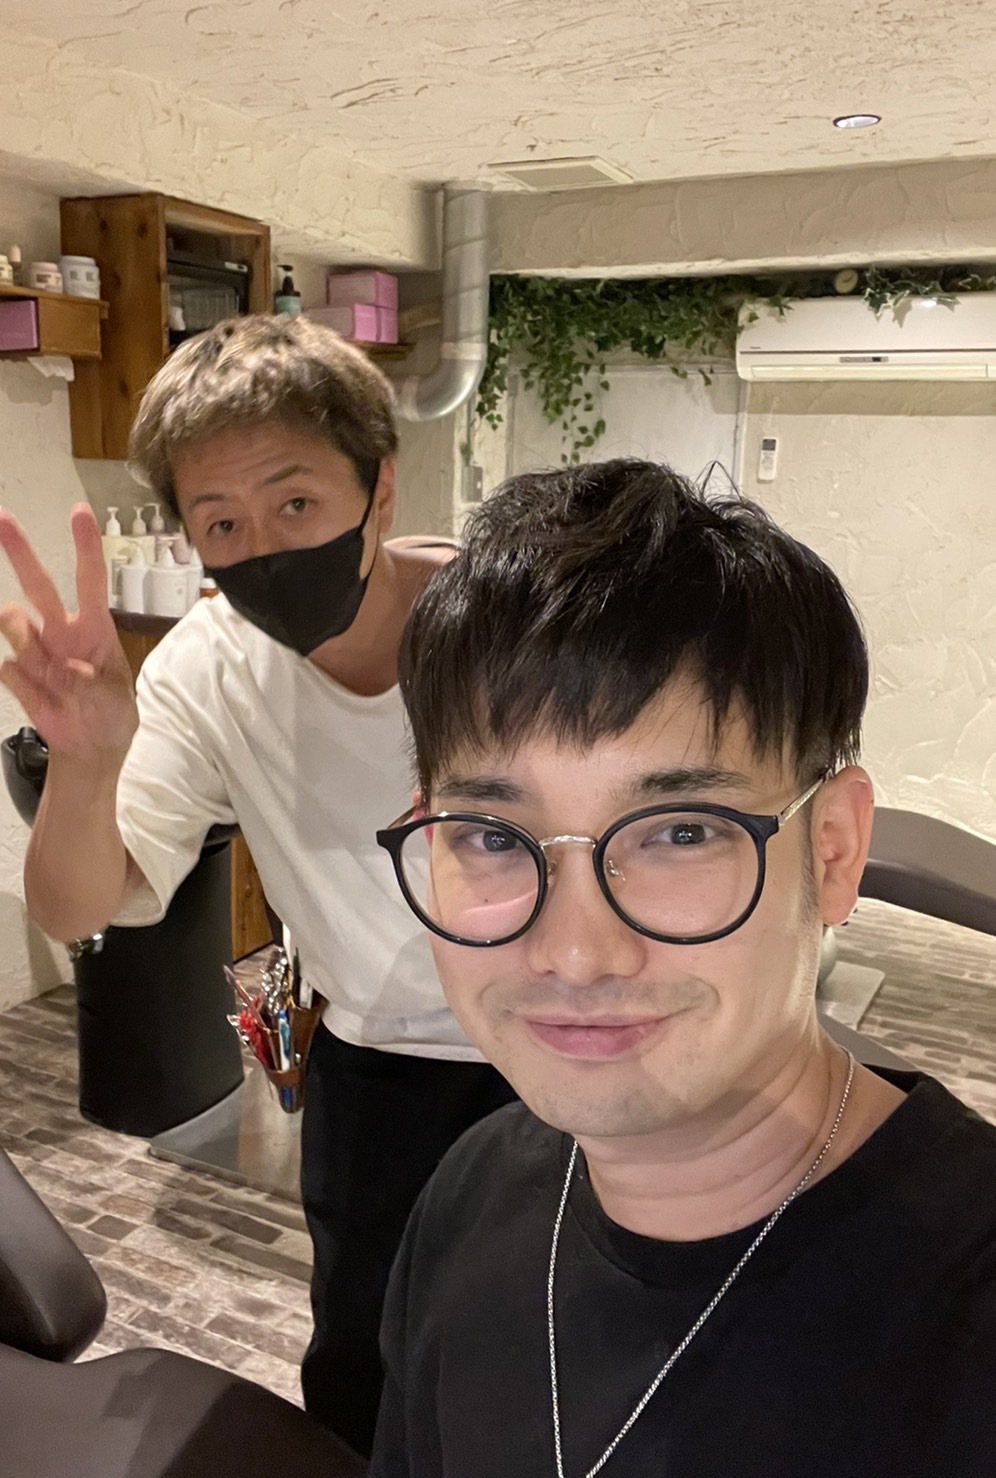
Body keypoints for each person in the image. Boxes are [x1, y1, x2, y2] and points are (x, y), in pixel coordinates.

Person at [370, 458, 996, 1476]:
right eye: (490, 834)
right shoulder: (469, 1193)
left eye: (682, 831)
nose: (576, 953)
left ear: (833, 850)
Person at [0, 314, 514, 1458]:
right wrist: (86, 763)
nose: (261, 547)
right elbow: (80, 905)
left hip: (556, 1041)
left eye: (296, 502)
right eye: (221, 522)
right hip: (372, 1060)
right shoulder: (205, 664)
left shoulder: (512, 627)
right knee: (364, 1358)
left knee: (546, 1345)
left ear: (379, 489)